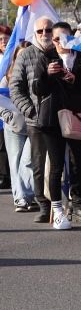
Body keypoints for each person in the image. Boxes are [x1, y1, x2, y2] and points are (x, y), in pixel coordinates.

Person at [10, 18, 81, 229]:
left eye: (64, 37)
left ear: (72, 38)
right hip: (51, 119)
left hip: (77, 117)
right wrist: (47, 75)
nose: (59, 42)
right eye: (56, 38)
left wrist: (73, 79)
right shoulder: (44, 57)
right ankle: (57, 211)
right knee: (55, 167)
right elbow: (37, 89)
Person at [1, 42, 35, 212]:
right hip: (13, 127)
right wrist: (7, 116)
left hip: (33, 125)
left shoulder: (35, 75)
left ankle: (28, 194)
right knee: (15, 162)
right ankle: (20, 198)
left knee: (27, 160)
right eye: (20, 55)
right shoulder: (7, 78)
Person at [0, 24, 12, 189]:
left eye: (6, 39)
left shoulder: (13, 57)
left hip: (12, 105)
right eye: (1, 39)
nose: (3, 41)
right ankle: (3, 176)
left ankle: (8, 174)